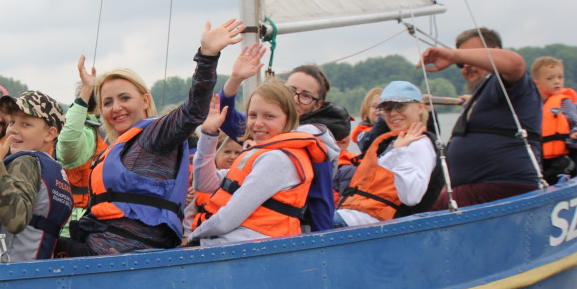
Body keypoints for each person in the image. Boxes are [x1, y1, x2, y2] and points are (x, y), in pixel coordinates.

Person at [55, 19, 246, 256]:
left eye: (125, 98)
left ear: (145, 100)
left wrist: (207, 56)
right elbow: (65, 151)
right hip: (101, 242)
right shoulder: (115, 147)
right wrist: (86, 92)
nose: (116, 107)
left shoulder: (155, 135)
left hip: (129, 249)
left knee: (38, 241)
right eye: (108, 102)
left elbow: (194, 110)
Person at [217, 51, 352, 231]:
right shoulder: (263, 130)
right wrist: (235, 78)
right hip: (248, 229)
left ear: (318, 105)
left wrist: (321, 244)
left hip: (285, 234)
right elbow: (223, 115)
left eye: (305, 96)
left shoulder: (314, 143)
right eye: (291, 91)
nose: (295, 99)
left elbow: (321, 201)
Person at [189, 81, 336, 246]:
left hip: (252, 250)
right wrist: (209, 134)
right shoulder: (259, 154)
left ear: (288, 118)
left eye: (269, 116)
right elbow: (203, 183)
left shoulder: (278, 160)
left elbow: (228, 218)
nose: (258, 123)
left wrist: (193, 237)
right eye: (253, 115)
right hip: (229, 244)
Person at [421, 28, 542, 209]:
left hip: (503, 188)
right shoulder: (483, 94)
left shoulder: (507, 83)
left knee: (424, 221)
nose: (466, 64)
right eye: (461, 63)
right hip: (478, 189)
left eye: (471, 56)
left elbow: (515, 63)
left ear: (496, 52)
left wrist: (453, 55)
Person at [0, 91, 73, 264]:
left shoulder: (26, 161)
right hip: (26, 269)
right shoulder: (56, 172)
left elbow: (15, 220)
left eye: (26, 124)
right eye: (11, 122)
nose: (13, 130)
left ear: (50, 134)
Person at [334, 81, 442, 227]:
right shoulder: (399, 143)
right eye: (387, 109)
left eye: (401, 106)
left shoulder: (419, 145)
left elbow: (411, 197)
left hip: (367, 222)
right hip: (351, 215)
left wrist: (400, 152)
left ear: (420, 107)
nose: (393, 114)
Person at [57, 56, 108, 237]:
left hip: (97, 221)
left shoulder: (111, 132)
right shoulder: (86, 132)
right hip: (76, 223)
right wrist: (87, 90)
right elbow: (67, 146)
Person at [532, 56, 577, 183]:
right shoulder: (532, 103)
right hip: (537, 156)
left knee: (563, 164)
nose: (557, 82)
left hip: (557, 156)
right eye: (550, 78)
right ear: (537, 82)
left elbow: (574, 120)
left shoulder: (564, 101)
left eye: (560, 77)